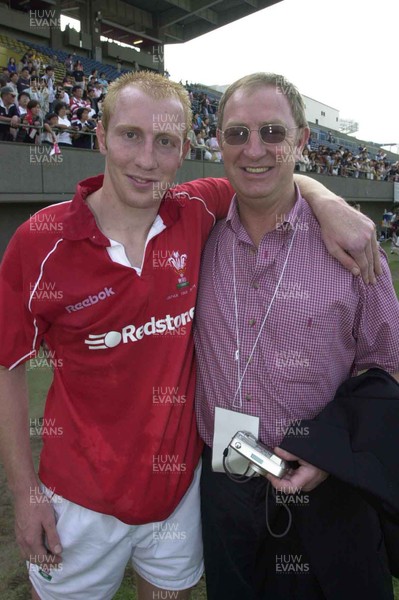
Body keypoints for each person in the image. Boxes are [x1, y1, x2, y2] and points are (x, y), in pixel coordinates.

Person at [0, 71, 380, 600]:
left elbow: (274, 176)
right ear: (103, 133)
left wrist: (326, 201)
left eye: (166, 142)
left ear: (185, 151)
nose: (146, 159)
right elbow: (7, 368)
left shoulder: (197, 210)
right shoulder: (39, 241)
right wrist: (24, 494)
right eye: (131, 135)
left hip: (180, 494)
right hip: (77, 501)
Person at [193, 72, 399, 600]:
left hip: (331, 487)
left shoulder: (352, 245)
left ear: (303, 141)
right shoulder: (197, 233)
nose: (254, 149)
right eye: (237, 134)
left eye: (273, 133)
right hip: (226, 485)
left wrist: (329, 451)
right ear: (217, 141)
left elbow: (389, 364)